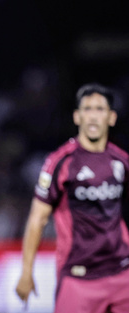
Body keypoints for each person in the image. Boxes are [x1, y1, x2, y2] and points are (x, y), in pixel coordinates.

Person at [15, 83, 129, 312]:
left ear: (112, 117)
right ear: (77, 117)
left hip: (122, 275)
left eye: (100, 109)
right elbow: (37, 219)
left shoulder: (122, 161)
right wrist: (26, 273)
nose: (93, 116)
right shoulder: (61, 163)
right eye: (87, 109)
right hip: (79, 277)